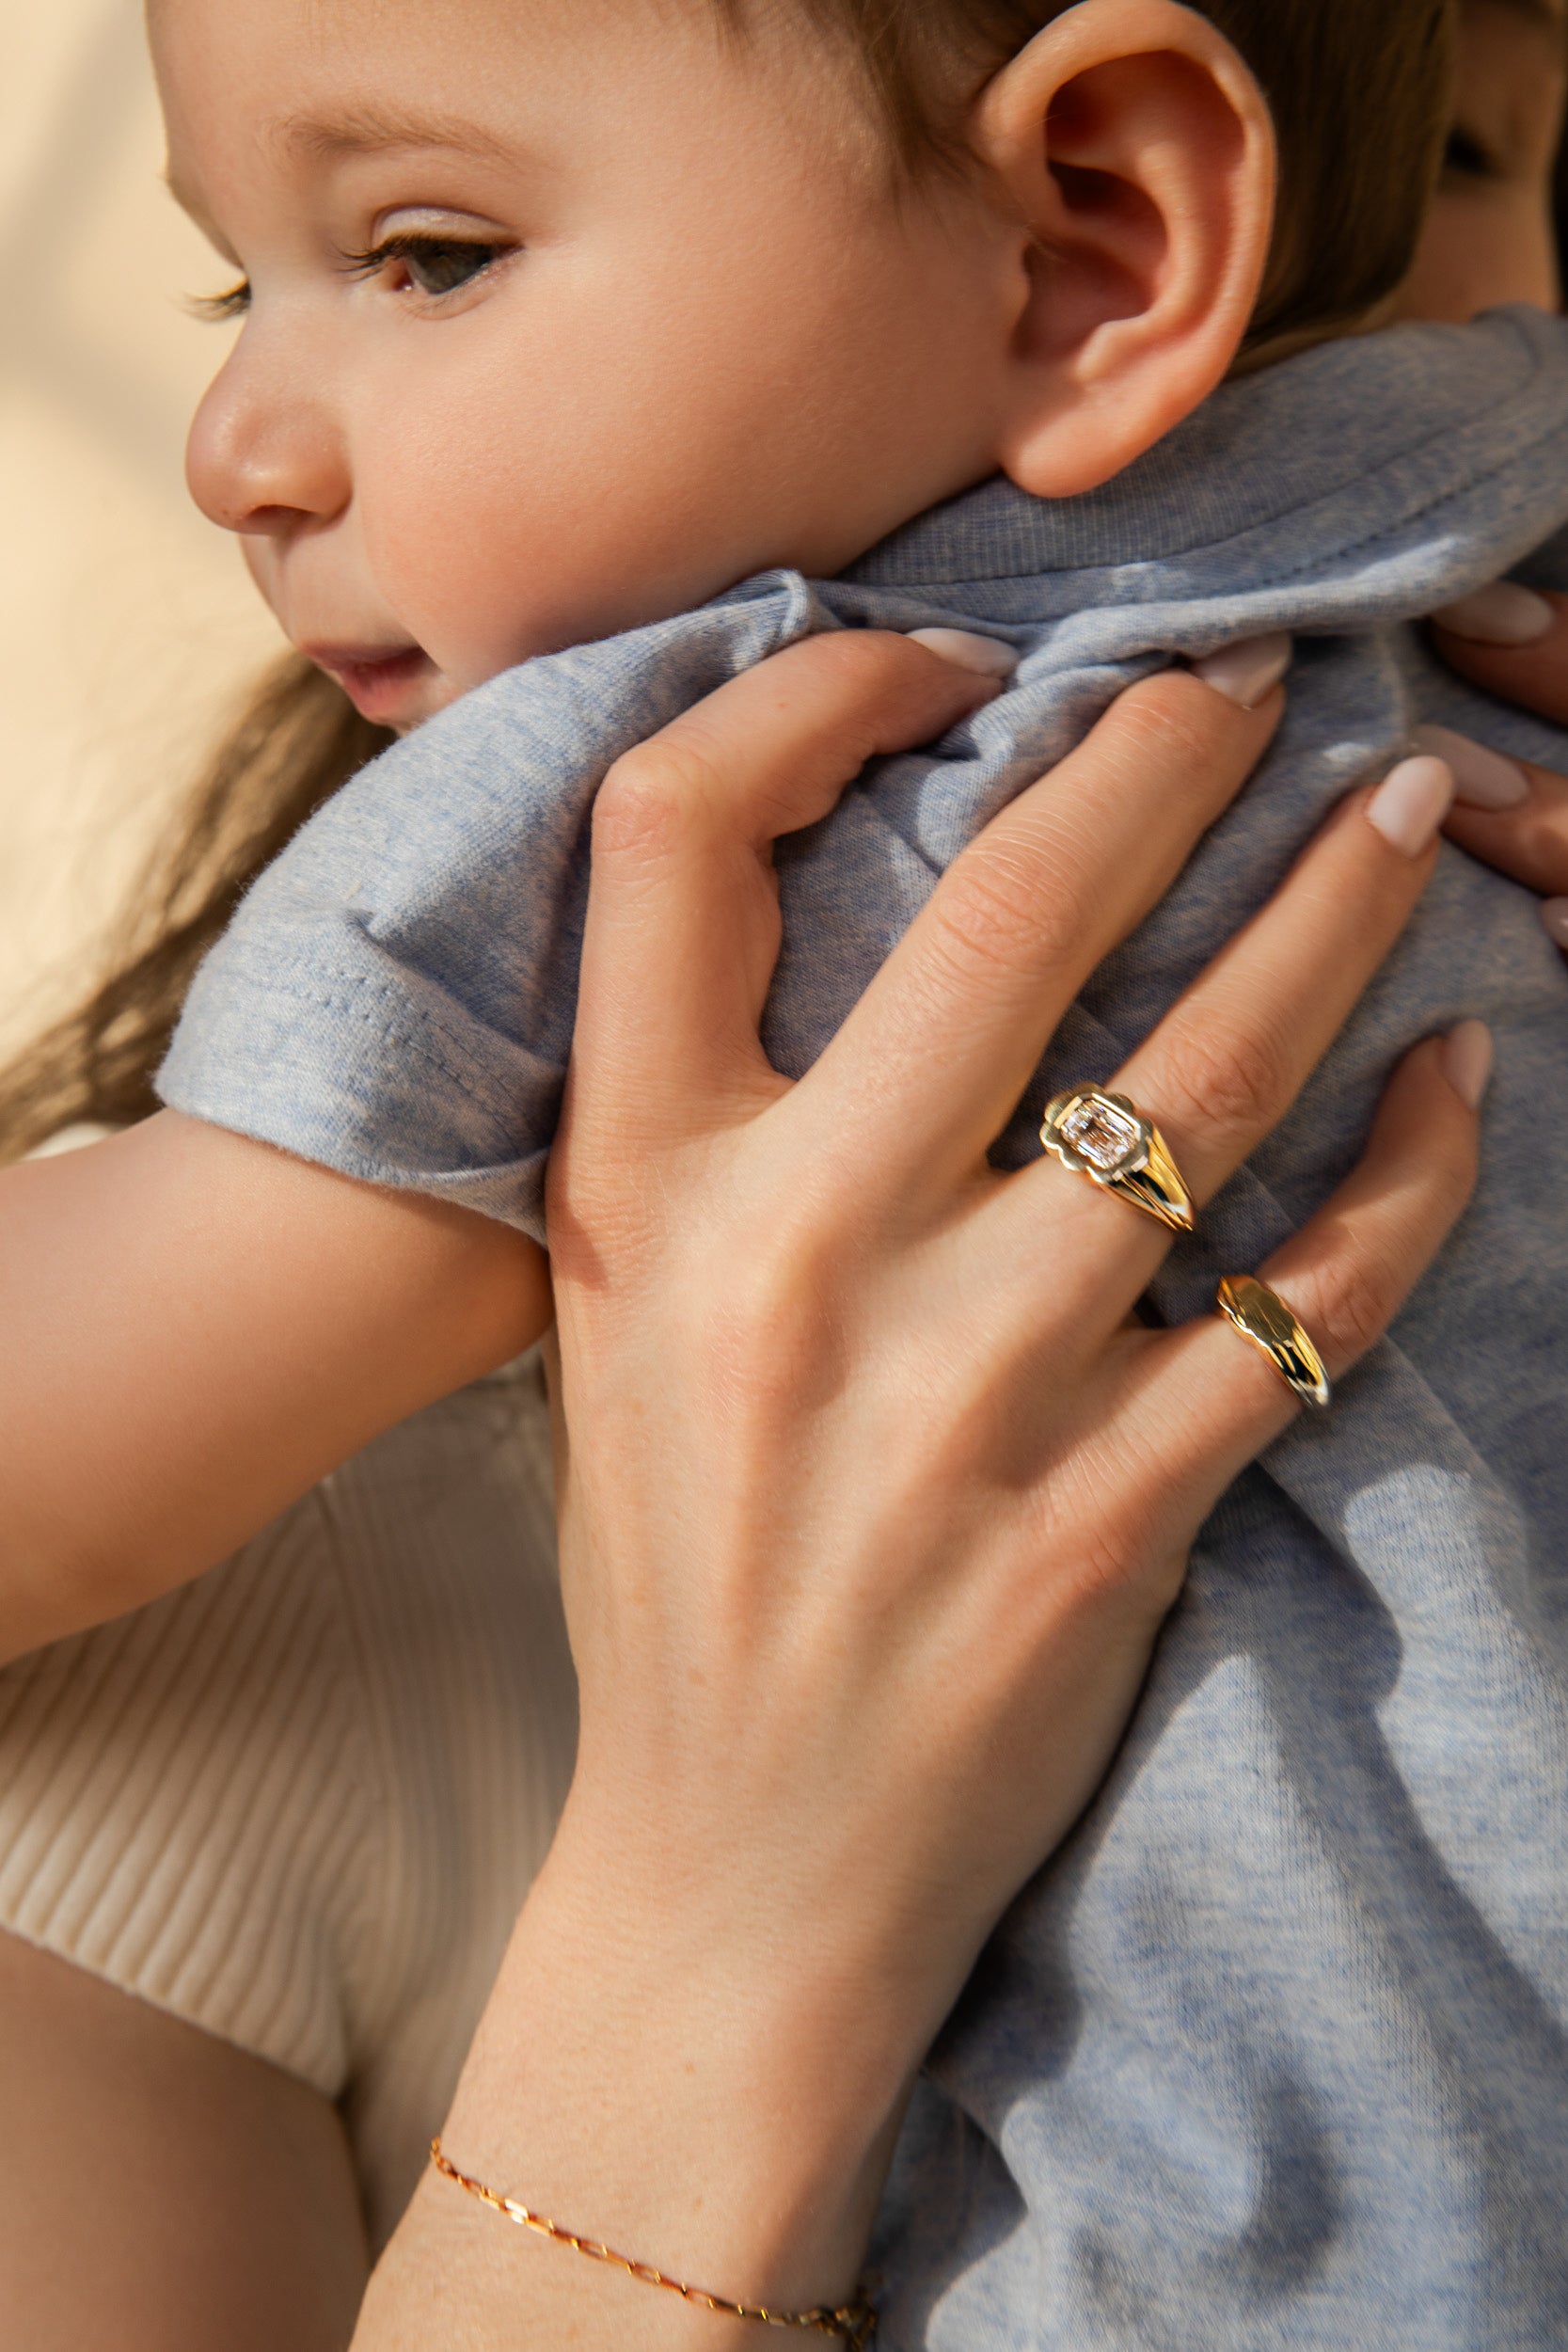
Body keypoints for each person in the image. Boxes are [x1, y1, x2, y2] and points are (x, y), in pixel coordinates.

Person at [0, 0, 1565, 2339]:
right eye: (246, 281)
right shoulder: (1493, 577)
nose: (239, 445)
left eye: (422, 253)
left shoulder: (694, 773)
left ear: (1106, 243)